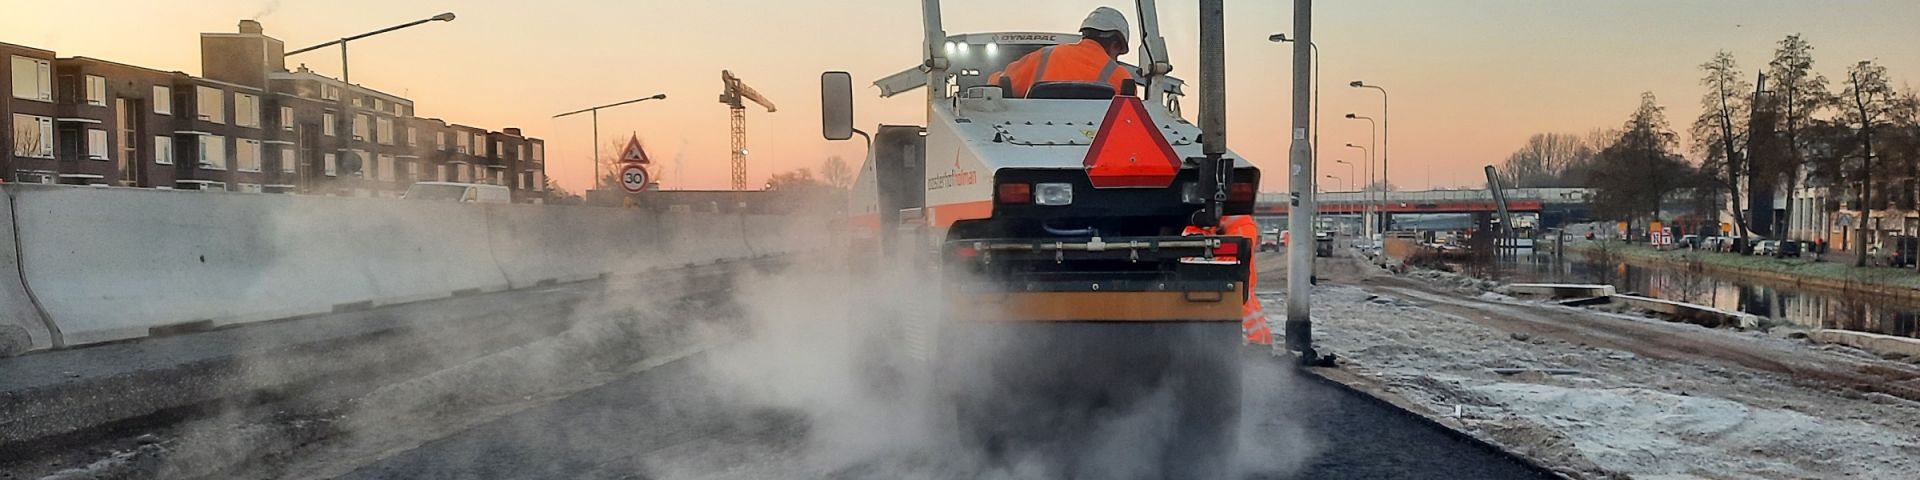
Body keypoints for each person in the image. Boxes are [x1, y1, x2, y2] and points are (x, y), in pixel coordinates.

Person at [986, 6, 1135, 98]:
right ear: (1116, 44)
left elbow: (1000, 83)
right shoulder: (1122, 77)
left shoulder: (1044, 56)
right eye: (1119, 53)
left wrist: (992, 76)